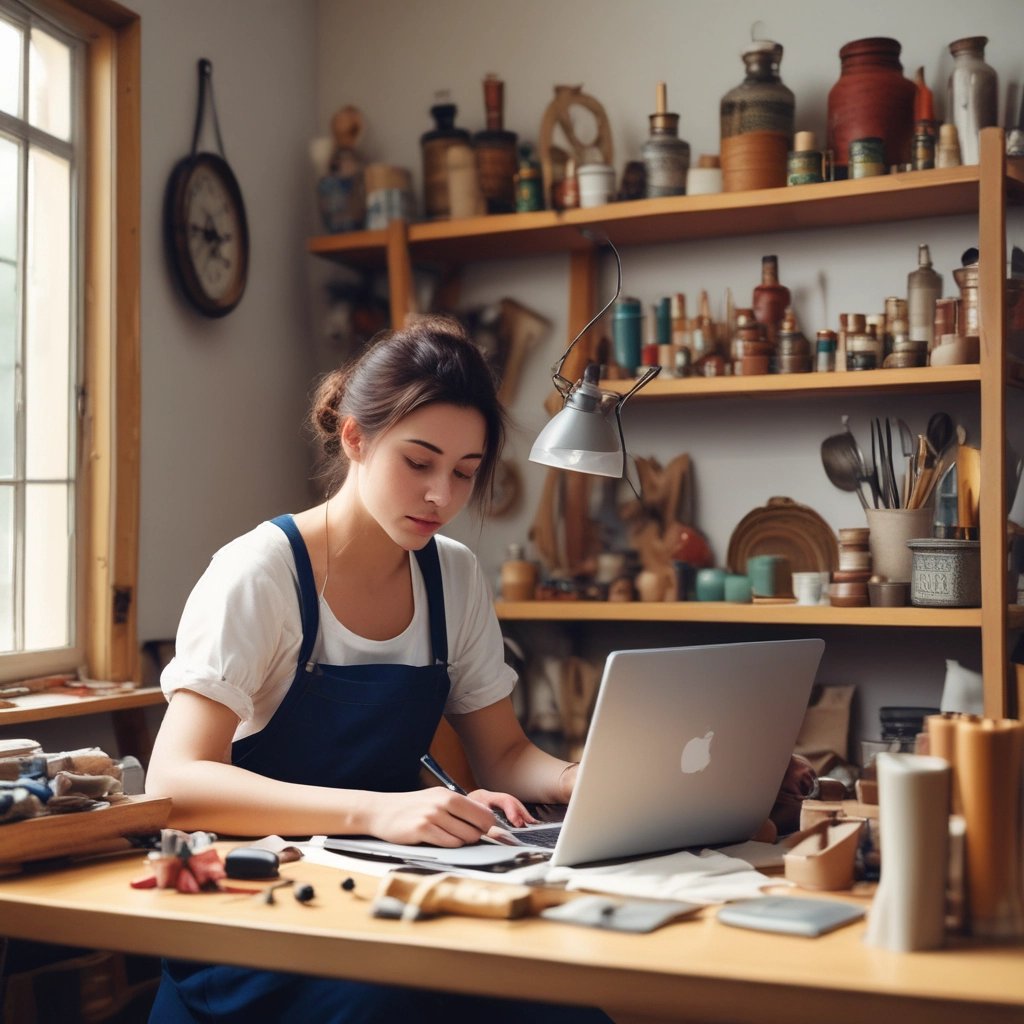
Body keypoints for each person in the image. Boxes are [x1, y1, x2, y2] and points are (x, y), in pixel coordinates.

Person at [145, 315, 615, 1023]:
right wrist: (379, 810)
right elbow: (175, 782)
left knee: (564, 1004)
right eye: (418, 462)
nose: (441, 497)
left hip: (382, 893)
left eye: (465, 472)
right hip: (259, 910)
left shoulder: (452, 577)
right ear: (356, 438)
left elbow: (506, 754)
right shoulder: (261, 574)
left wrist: (587, 781)